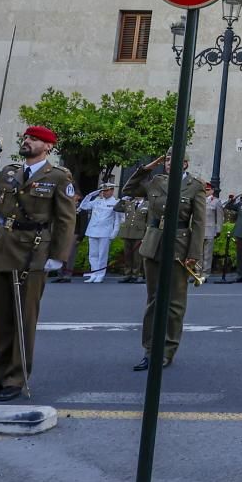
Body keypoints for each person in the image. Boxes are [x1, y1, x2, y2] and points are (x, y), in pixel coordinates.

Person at [0, 125, 77, 401]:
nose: (27, 141)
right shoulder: (9, 172)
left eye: (34, 139)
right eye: (25, 137)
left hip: (31, 250)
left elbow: (67, 219)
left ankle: (15, 377)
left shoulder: (58, 177)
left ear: (48, 147)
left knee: (23, 319)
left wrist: (58, 255)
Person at [123, 152, 205, 370]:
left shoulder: (195, 186)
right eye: (166, 160)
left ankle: (167, 350)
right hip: (153, 244)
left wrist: (194, 253)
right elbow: (128, 190)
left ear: (185, 162)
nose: (169, 164)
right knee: (153, 299)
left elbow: (198, 224)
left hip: (179, 246)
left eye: (173, 160)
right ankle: (150, 350)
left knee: (174, 303)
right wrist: (148, 167)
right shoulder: (156, 182)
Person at [81, 183, 122, 283]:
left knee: (102, 255)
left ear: (112, 191)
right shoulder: (97, 201)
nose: (104, 193)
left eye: (106, 190)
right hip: (93, 230)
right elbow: (84, 206)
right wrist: (91, 195)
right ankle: (94, 273)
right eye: (103, 191)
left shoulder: (116, 202)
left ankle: (100, 274)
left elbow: (117, 220)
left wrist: (114, 232)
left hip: (105, 232)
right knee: (93, 254)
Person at [117, 192, 148, 283]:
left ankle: (137, 274)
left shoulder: (147, 205)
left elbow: (149, 220)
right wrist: (122, 200)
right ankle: (128, 274)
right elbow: (117, 208)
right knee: (128, 255)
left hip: (139, 233)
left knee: (137, 256)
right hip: (128, 232)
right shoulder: (130, 203)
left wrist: (146, 234)